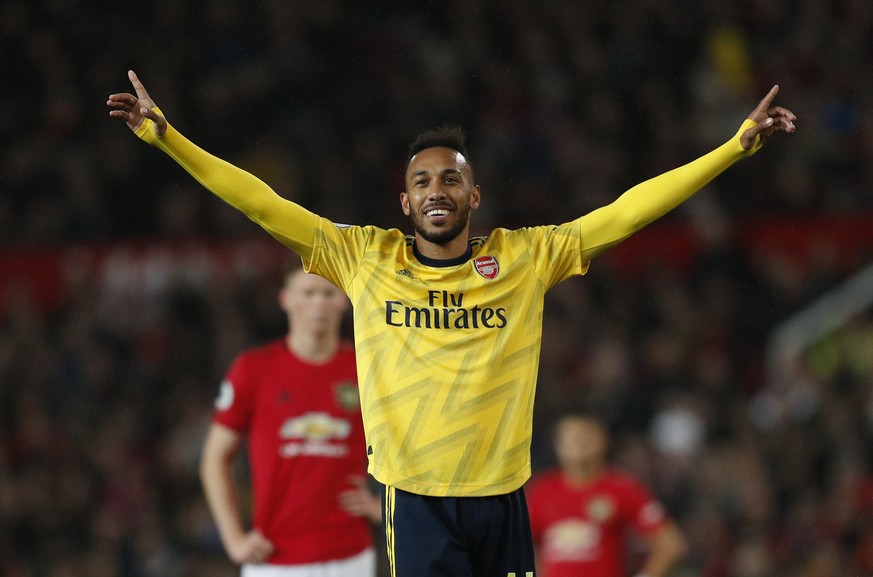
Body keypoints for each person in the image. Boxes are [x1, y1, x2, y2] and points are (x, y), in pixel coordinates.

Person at [108, 70, 795, 577]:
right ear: (404, 202)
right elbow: (262, 203)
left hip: (502, 496)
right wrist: (169, 141)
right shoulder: (362, 256)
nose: (436, 189)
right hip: (417, 501)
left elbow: (624, 212)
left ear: (473, 194)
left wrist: (731, 148)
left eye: (449, 179)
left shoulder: (526, 257)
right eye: (422, 182)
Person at [199, 262, 382, 577]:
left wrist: (385, 509)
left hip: (350, 554)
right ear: (286, 299)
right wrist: (233, 540)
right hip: (272, 558)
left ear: (344, 299)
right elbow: (215, 458)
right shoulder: (253, 369)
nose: (319, 303)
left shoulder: (367, 369)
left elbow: (409, 443)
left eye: (328, 293)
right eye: (308, 293)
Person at [526, 413, 687, 577]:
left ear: (603, 439)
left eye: (585, 435)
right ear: (558, 445)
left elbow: (670, 543)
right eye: (571, 437)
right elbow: (521, 545)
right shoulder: (541, 491)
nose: (578, 442)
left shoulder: (622, 489)